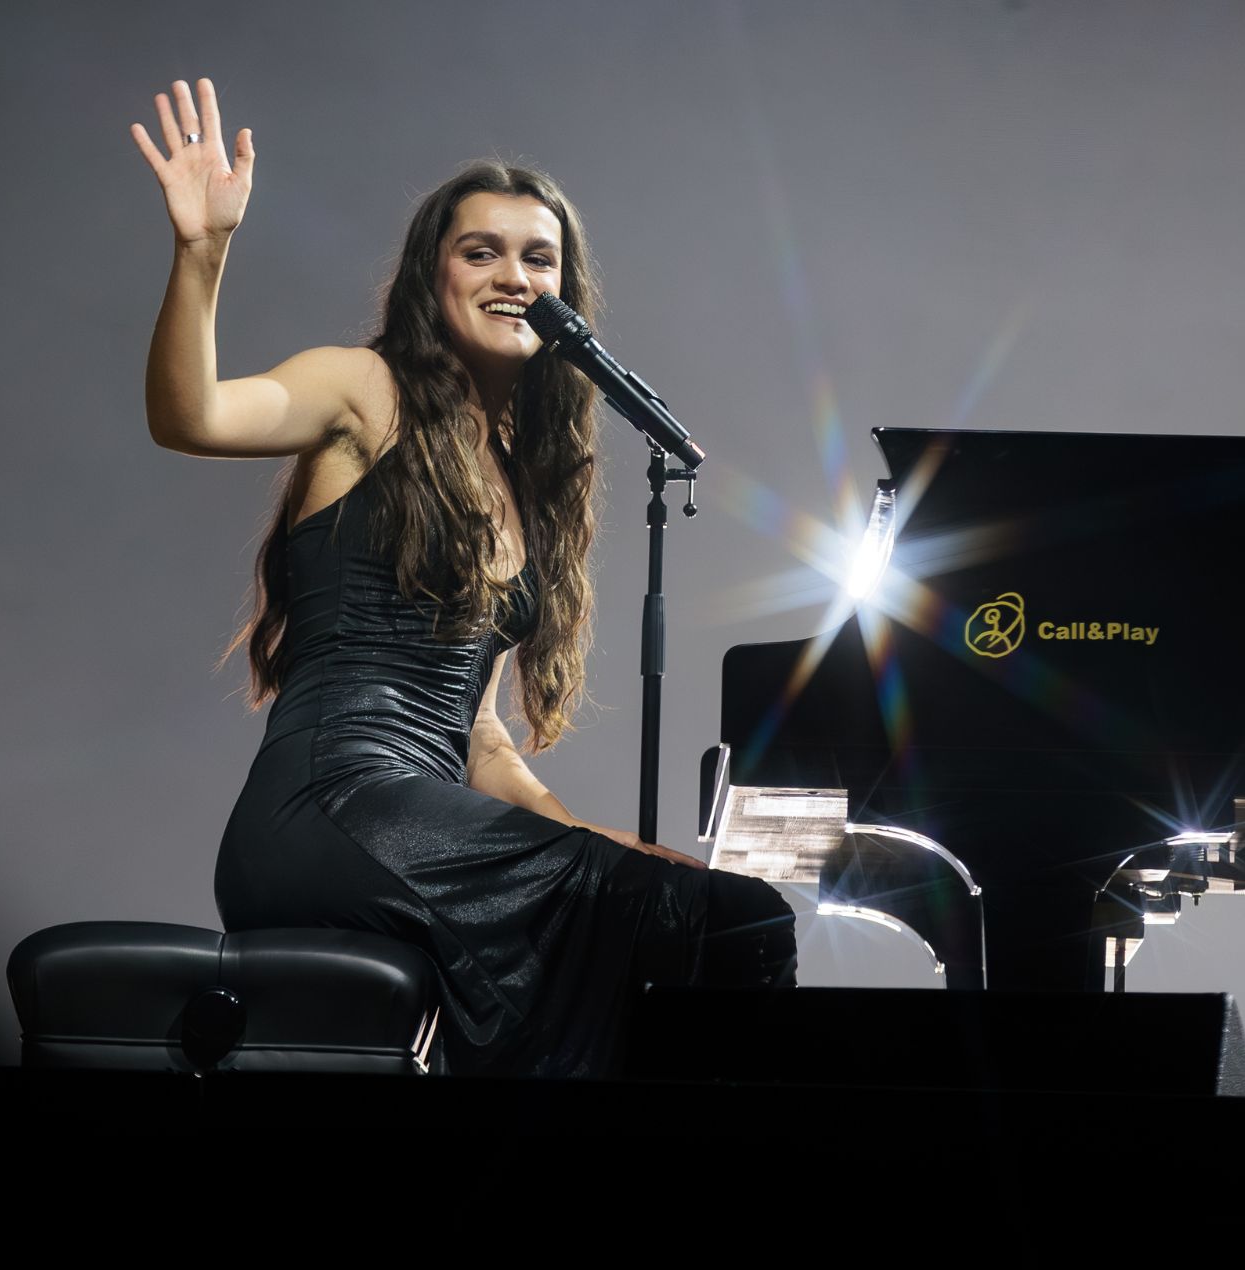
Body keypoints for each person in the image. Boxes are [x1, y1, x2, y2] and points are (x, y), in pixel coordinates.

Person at [131, 77, 796, 1077]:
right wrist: (202, 251)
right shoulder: (365, 389)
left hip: (416, 823)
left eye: (538, 258)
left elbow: (477, 736)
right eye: (480, 252)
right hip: (328, 807)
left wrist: (597, 843)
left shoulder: (526, 479)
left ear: (566, 293)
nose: (512, 276)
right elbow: (193, 418)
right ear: (430, 277)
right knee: (723, 922)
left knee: (709, 913)